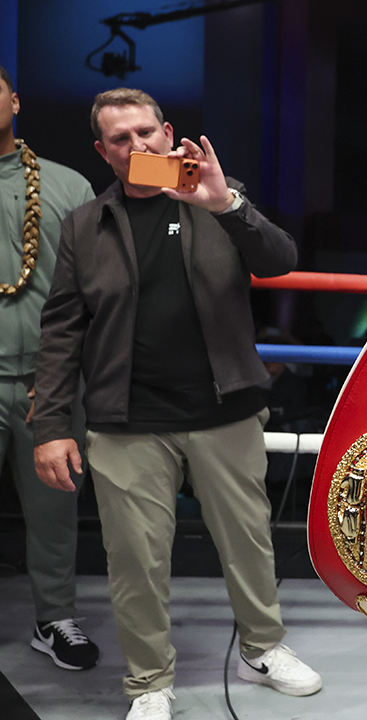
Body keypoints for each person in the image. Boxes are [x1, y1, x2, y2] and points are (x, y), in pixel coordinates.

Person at [31, 88, 321, 720]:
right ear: (104, 152)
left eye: (146, 132)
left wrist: (227, 206)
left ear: (168, 134)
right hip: (127, 420)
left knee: (248, 542)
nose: (137, 145)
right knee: (134, 560)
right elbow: (62, 331)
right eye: (121, 138)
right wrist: (51, 425)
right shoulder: (85, 224)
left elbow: (280, 260)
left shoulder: (218, 194)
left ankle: (262, 649)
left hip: (224, 410)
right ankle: (149, 682)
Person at [0, 64, 100, 670]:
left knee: (55, 510)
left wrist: (61, 383)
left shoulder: (67, 186)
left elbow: (93, 293)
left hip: (50, 384)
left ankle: (54, 618)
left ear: (15, 100)